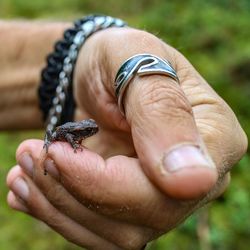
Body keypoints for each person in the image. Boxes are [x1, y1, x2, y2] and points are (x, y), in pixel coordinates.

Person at [0, 16, 247, 250]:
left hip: (66, 111)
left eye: (90, 129)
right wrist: (72, 143)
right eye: (90, 129)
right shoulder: (78, 133)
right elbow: (71, 135)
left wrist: (79, 57)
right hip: (62, 132)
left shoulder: (85, 128)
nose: (92, 131)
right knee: (54, 146)